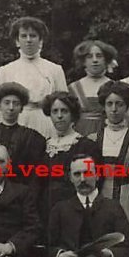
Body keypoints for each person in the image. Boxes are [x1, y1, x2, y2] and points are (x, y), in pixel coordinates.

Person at [88, 80, 129, 222]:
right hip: (98, 198)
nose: (114, 109)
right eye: (109, 104)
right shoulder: (92, 139)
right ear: (103, 106)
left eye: (120, 104)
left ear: (127, 106)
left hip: (128, 199)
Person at [0, 16, 68, 138]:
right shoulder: (6, 70)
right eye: (24, 36)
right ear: (17, 41)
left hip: (46, 122)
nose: (28, 40)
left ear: (40, 40)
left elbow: (64, 103)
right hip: (17, 121)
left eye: (33, 36)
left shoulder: (54, 69)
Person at [0, 82, 47, 187]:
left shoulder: (33, 138)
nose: (11, 108)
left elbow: (35, 174)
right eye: (6, 103)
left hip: (20, 192)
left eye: (16, 103)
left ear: (21, 109)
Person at [39, 91, 99, 221]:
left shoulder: (86, 145)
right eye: (55, 111)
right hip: (45, 210)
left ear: (72, 114)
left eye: (64, 111)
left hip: (74, 210)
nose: (59, 116)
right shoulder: (43, 145)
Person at [66, 39, 118, 136]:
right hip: (80, 134)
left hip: (109, 135)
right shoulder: (73, 88)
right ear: (83, 61)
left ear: (106, 60)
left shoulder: (115, 86)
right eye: (89, 56)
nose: (95, 60)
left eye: (99, 56)